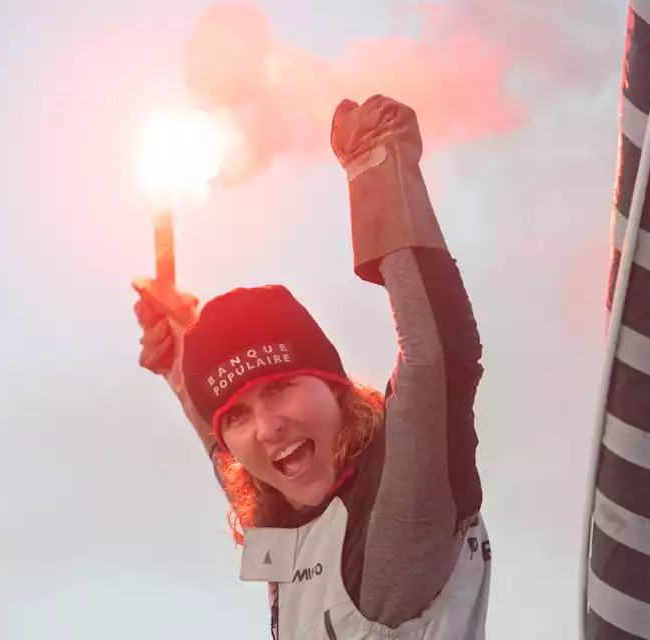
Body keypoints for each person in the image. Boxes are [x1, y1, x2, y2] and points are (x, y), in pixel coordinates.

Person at [131, 95, 491, 639]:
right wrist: (182, 362)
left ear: (336, 391)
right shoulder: (284, 523)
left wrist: (378, 175)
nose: (267, 427)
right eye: (239, 415)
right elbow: (221, 442)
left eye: (279, 389)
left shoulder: (392, 513)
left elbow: (437, 360)